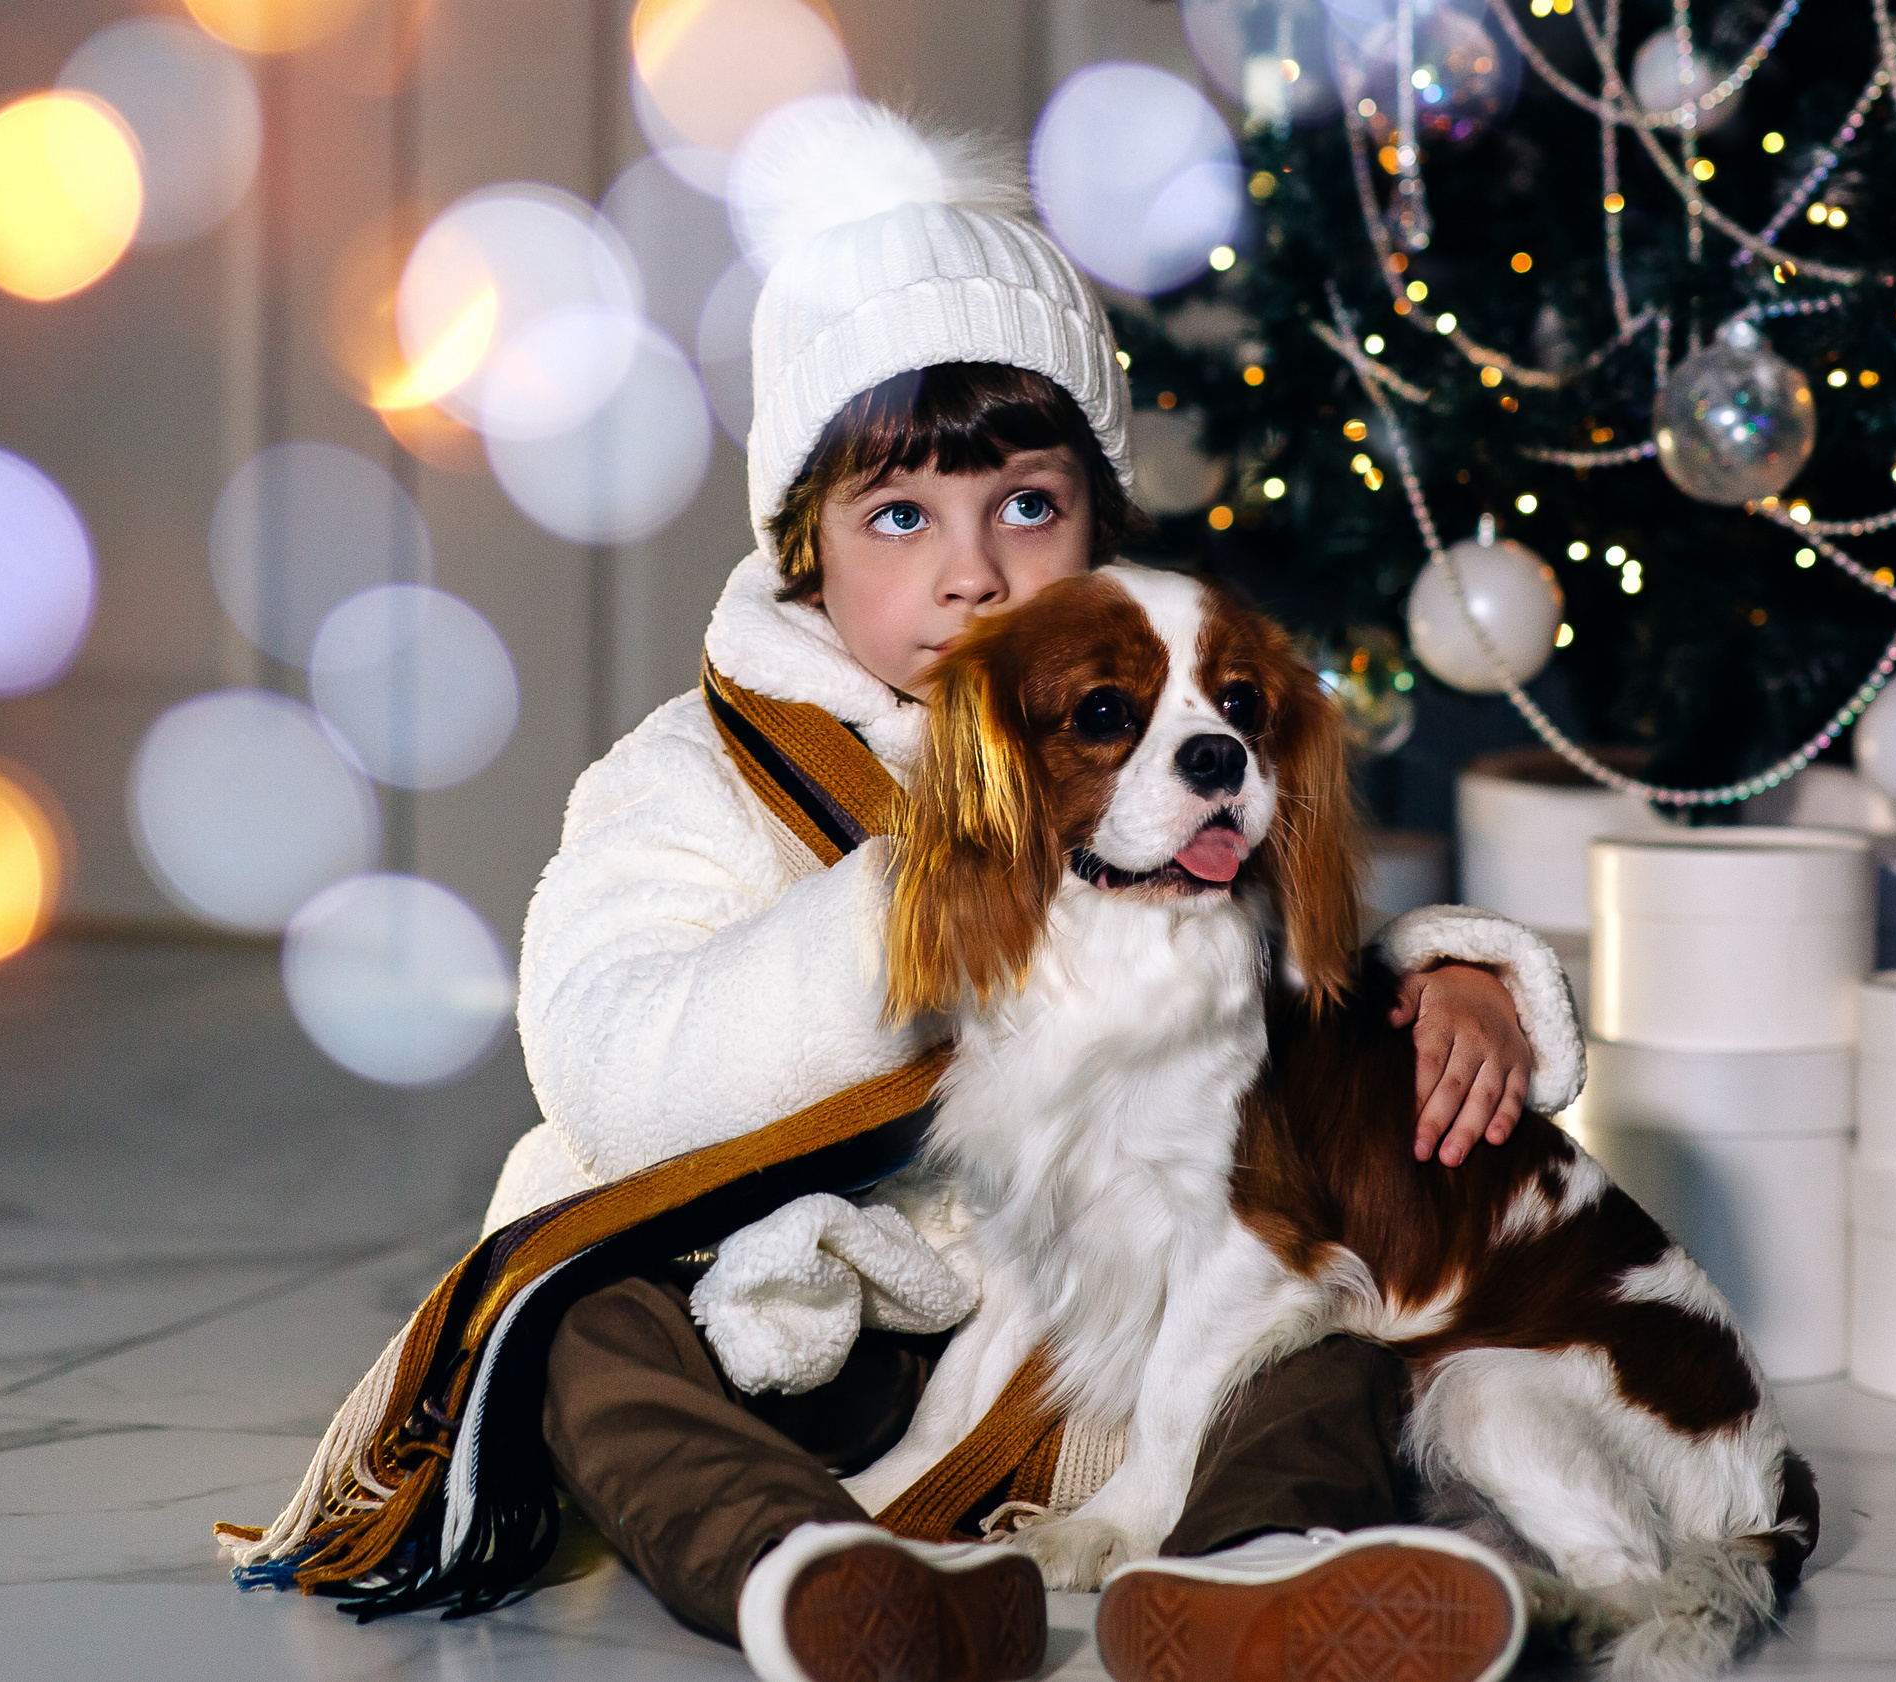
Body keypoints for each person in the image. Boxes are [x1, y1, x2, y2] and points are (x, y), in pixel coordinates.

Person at [489, 101, 1586, 1682]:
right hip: (820, 1317)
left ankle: (1249, 1576)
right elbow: (606, 1057)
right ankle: (813, 1571)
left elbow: (1261, 923)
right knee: (586, 1331)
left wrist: (1461, 978)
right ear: (805, 550)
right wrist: (913, 905)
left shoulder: (1132, 726)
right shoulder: (687, 778)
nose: (972, 572)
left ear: (1100, 521)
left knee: (1326, 1326)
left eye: (1024, 503)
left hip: (1108, 1321)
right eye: (898, 517)